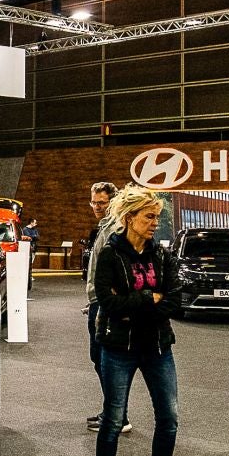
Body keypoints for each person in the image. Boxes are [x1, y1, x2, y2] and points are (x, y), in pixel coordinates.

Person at [90, 184, 188, 456]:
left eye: (157, 217)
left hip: (158, 346)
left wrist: (139, 304)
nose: (155, 224)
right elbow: (109, 303)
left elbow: (175, 300)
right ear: (130, 218)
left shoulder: (162, 255)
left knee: (169, 419)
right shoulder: (111, 254)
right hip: (119, 348)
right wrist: (150, 298)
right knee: (113, 421)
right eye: (149, 217)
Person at [81, 181, 130, 436]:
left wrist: (102, 304)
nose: (97, 207)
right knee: (100, 359)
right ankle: (114, 412)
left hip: (104, 304)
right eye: (94, 202)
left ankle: (118, 416)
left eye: (102, 202)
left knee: (106, 360)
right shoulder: (104, 228)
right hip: (97, 302)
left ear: (113, 202)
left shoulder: (115, 229)